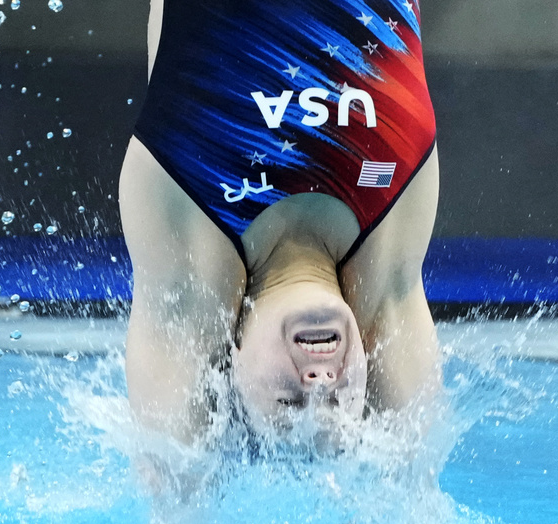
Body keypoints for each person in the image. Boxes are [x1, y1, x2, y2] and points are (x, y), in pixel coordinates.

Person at [119, 0, 441, 448]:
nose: (319, 382)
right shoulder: (386, 262)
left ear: (234, 364)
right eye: (338, 402)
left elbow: (170, 469)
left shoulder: (192, 238)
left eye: (289, 403)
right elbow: (408, 470)